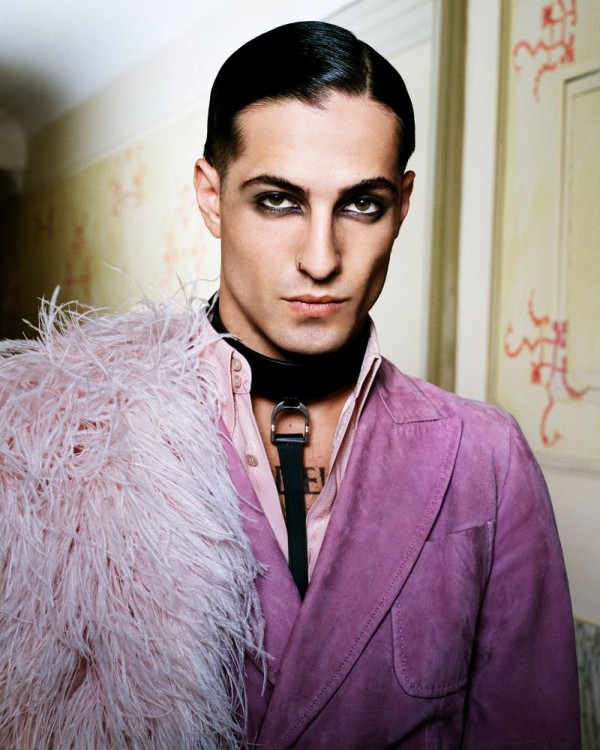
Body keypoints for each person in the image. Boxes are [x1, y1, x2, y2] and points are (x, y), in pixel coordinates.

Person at [0, 21, 580, 750]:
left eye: (361, 204)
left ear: (402, 204)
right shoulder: (57, 440)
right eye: (278, 200)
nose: (321, 258)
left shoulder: (485, 459)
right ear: (211, 196)